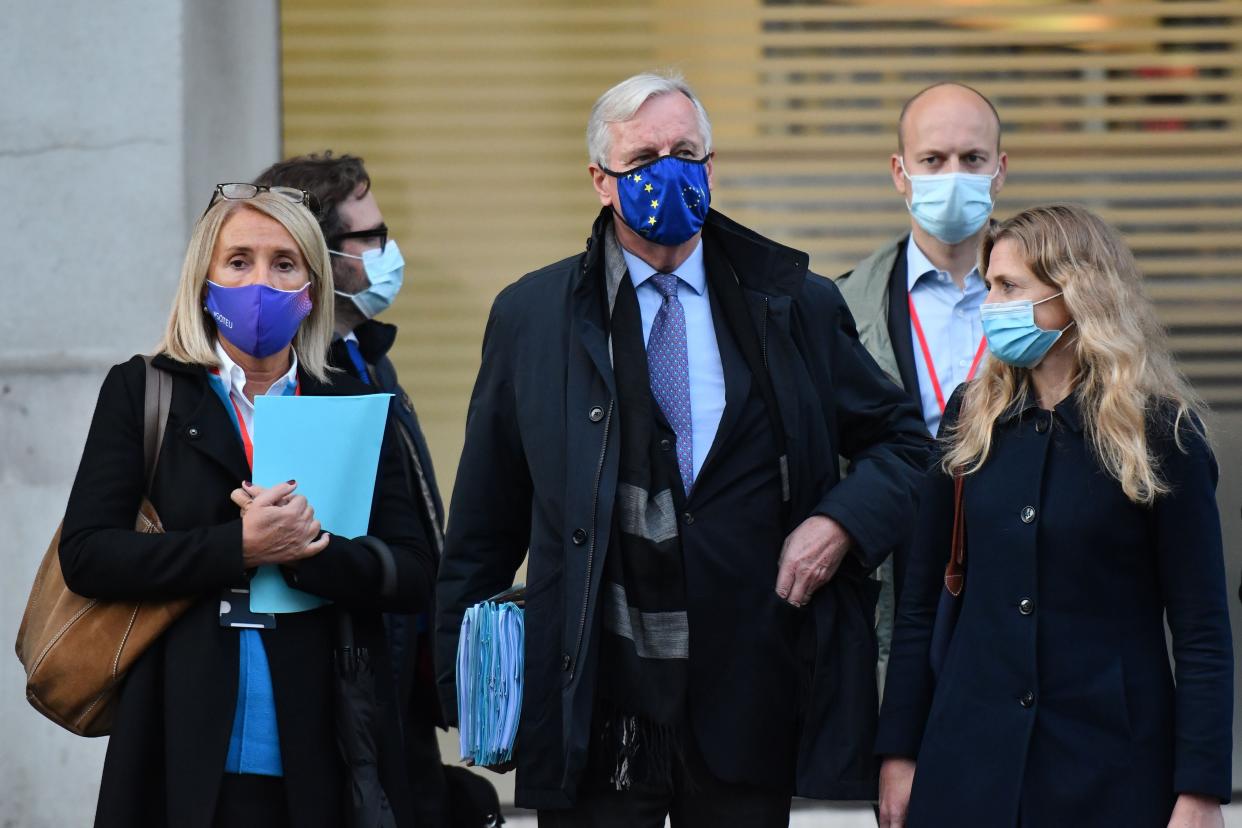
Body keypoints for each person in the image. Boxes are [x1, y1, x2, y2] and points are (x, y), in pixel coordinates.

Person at [435, 72, 931, 826]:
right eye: (644, 159)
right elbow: (484, 520)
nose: (669, 172)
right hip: (597, 703)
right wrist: (454, 683)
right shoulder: (532, 318)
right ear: (601, 181)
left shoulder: (793, 303)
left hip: (751, 693)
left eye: (686, 152)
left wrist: (840, 524)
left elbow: (904, 443)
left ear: (710, 164)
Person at [59, 186, 435, 827]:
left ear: (313, 290)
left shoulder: (352, 403)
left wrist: (310, 553)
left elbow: (413, 569)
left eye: (284, 263)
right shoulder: (143, 390)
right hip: (177, 733)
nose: (261, 281)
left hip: (325, 740)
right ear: (204, 283)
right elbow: (88, 554)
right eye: (238, 261)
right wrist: (235, 548)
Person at [875, 204, 1234, 827]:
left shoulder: (1161, 435)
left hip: (1109, 771)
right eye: (989, 285)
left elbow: (1202, 630)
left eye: (1010, 287)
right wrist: (898, 753)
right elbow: (921, 603)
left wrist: (1200, 790)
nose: (991, 303)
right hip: (968, 769)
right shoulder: (970, 418)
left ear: (1076, 295)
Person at [253, 153, 473, 827]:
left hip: (397, 673)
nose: (387, 251)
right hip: (350, 686)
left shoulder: (367, 356)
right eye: (369, 238)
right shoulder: (294, 379)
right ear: (323, 257)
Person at [836, 82, 1008, 687]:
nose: (954, 176)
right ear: (900, 172)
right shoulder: (840, 309)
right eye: (933, 161)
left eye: (973, 159)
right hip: (894, 586)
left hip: (1021, 577)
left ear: (1000, 171)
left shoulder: (1059, 306)